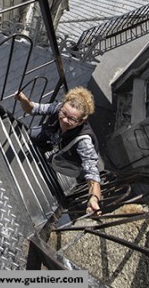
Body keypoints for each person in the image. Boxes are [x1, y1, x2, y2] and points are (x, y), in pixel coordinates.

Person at [16, 87, 103, 216]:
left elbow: (92, 173)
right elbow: (33, 109)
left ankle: (52, 160)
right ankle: (46, 149)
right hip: (54, 137)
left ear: (81, 121)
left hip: (70, 156)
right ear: (62, 106)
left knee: (53, 161)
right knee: (31, 135)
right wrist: (23, 100)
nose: (64, 120)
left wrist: (94, 198)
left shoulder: (84, 142)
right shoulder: (58, 108)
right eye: (63, 113)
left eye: (71, 119)